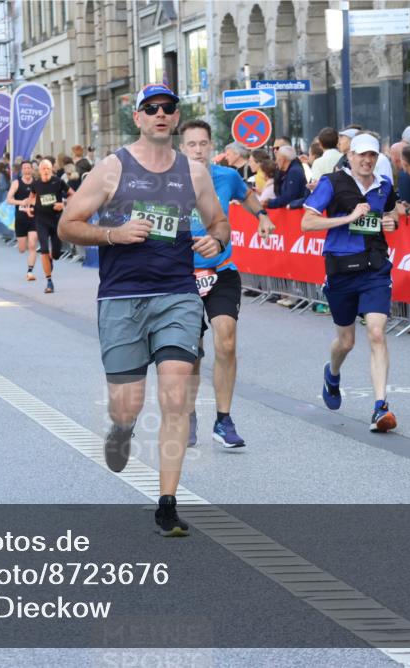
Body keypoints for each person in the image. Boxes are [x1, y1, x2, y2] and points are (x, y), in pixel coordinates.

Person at [59, 84, 230, 536]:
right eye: (150, 108)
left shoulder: (193, 172)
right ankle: (121, 429)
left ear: (176, 117)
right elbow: (67, 225)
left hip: (178, 294)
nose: (160, 114)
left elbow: (219, 221)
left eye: (168, 108)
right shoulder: (112, 168)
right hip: (122, 297)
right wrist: (113, 235)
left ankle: (167, 503)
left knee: (176, 396)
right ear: (137, 117)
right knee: (126, 404)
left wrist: (216, 239)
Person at [179, 118, 274, 449]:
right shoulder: (170, 182)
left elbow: (247, 196)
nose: (198, 150)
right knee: (191, 352)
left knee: (227, 340)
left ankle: (223, 419)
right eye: (191, 144)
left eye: (203, 143)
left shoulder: (226, 176)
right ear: (182, 149)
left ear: (211, 146)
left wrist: (261, 216)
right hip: (182, 277)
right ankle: (188, 413)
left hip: (221, 270)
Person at [301, 134, 400, 432]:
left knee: (377, 333)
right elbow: (307, 223)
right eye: (362, 155)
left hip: (375, 269)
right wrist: (347, 219)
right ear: (351, 156)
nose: (367, 161)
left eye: (372, 156)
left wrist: (391, 221)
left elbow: (392, 211)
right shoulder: (332, 183)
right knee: (346, 342)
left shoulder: (384, 185)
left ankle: (380, 407)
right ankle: (332, 373)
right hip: (341, 270)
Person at [31, 158, 75, 294]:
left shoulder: (58, 182)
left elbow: (73, 195)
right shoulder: (36, 184)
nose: (46, 171)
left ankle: (52, 257)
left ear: (52, 170)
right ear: (39, 171)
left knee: (56, 254)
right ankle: (49, 281)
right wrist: (29, 207)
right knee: (44, 250)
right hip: (41, 221)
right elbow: (32, 197)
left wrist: (64, 204)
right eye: (43, 169)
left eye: (48, 169)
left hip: (56, 221)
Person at [7, 160, 38, 280]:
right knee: (22, 249)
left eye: (29, 168)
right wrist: (22, 202)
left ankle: (30, 272)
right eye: (24, 168)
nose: (27, 170)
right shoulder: (16, 183)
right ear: (22, 170)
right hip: (20, 219)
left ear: (32, 169)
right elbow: (9, 199)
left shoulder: (36, 183)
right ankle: (25, 248)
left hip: (34, 218)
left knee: (32, 245)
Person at [265, 145, 309, 210]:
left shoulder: (294, 171)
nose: (276, 162)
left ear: (283, 159)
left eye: (277, 158)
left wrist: (269, 203)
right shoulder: (290, 170)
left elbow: (289, 197)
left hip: (295, 212)